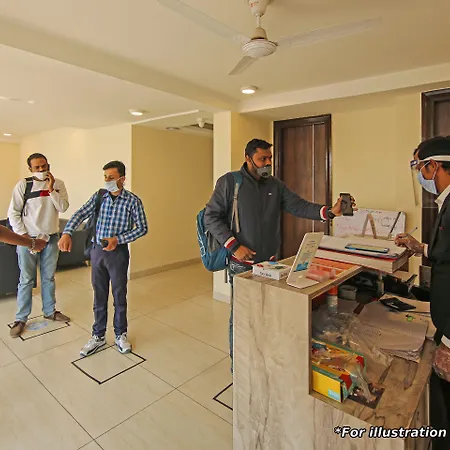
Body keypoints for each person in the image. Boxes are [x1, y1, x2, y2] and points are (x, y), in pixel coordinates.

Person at [204, 138, 355, 369]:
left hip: (271, 265)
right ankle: (239, 368)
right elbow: (211, 217)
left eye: (269, 158)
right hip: (241, 265)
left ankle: (262, 363)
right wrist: (234, 246)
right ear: (248, 158)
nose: (267, 163)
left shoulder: (275, 186)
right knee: (242, 318)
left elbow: (299, 206)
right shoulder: (230, 183)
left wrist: (330, 212)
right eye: (262, 159)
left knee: (268, 315)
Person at [59, 161, 148, 357]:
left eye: (111, 177)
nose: (107, 180)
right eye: (105, 177)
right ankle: (98, 336)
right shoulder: (99, 196)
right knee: (99, 295)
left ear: (122, 179)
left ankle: (120, 334)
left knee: (119, 295)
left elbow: (142, 228)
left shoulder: (133, 201)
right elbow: (81, 213)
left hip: (118, 253)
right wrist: (67, 232)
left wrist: (118, 239)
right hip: (97, 252)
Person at [395, 136, 450, 450]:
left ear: (435, 166)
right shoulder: (445, 202)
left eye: (419, 167)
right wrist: (420, 248)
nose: (420, 175)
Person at [8, 153, 70, 338]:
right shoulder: (23, 185)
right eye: (37, 167)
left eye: (44, 166)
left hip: (51, 238)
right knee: (26, 279)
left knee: (48, 277)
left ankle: (50, 311)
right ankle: (21, 319)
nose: (42, 170)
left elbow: (63, 207)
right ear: (30, 169)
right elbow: (13, 213)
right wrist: (25, 237)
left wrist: (51, 189)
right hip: (28, 238)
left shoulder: (58, 184)